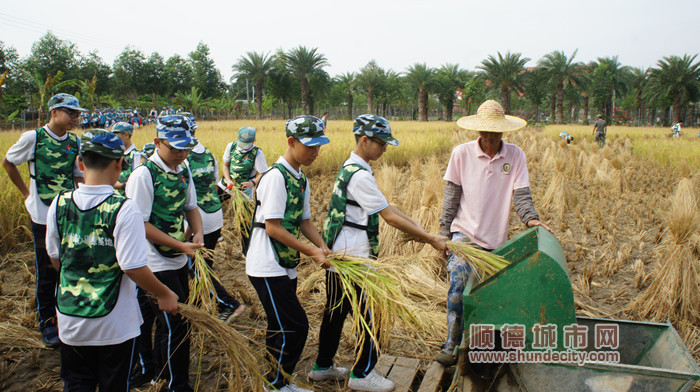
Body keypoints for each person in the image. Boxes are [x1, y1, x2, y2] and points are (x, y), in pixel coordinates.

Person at [310, 114, 447, 392]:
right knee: (371, 315)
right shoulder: (359, 175)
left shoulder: (352, 167)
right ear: (364, 140)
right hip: (355, 259)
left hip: (342, 257)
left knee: (335, 313)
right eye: (381, 143)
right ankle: (362, 373)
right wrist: (430, 238)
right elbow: (390, 217)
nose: (385, 149)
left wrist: (422, 231)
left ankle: (322, 367)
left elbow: (390, 208)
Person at [44, 129, 178, 392]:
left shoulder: (59, 203)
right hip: (114, 325)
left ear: (81, 163)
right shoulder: (123, 208)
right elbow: (132, 266)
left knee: (77, 384)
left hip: (71, 321)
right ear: (119, 164)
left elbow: (55, 258)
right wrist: (164, 293)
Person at [437, 100, 552, 366]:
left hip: (495, 240)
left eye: (495, 133)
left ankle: (482, 348)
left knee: (489, 296)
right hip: (464, 235)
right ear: (477, 131)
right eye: (485, 133)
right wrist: (444, 232)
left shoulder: (515, 155)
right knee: (457, 289)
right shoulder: (461, 154)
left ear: (503, 132)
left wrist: (531, 219)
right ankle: (452, 344)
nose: (489, 138)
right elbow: (451, 196)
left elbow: (521, 194)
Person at [246, 115, 330, 392]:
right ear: (291, 142)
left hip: (284, 264)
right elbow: (273, 228)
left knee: (279, 326)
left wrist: (323, 247)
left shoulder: (300, 178)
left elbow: (305, 222)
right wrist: (311, 252)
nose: (315, 152)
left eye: (319, 147)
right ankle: (276, 385)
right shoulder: (275, 177)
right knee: (295, 326)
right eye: (310, 146)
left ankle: (277, 382)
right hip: (267, 265)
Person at [2, 93, 87, 348]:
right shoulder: (34, 138)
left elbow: (78, 176)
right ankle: (48, 323)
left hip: (68, 212)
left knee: (71, 263)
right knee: (47, 270)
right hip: (42, 213)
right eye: (70, 113)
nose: (75, 118)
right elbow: (8, 163)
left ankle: (69, 315)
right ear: (53, 112)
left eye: (77, 114)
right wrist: (28, 194)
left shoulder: (75, 141)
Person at [126, 115, 203, 392]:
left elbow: (191, 207)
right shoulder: (144, 176)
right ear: (158, 142)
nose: (182, 155)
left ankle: (157, 371)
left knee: (159, 321)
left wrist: (198, 234)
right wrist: (180, 245)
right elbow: (141, 224)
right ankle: (174, 383)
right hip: (152, 261)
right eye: (175, 149)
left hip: (177, 258)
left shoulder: (184, 170)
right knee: (174, 324)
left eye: (186, 149)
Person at [183, 113, 246, 323]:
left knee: (195, 267)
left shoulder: (182, 157)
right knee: (205, 264)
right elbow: (216, 183)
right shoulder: (208, 153)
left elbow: (185, 194)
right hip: (214, 216)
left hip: (196, 219)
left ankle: (228, 303)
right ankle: (198, 305)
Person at [218, 126, 268, 201]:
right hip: (227, 185)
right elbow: (226, 165)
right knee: (214, 203)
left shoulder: (257, 153)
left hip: (244, 191)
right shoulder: (231, 147)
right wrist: (228, 180)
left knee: (245, 211)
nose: (245, 147)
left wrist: (253, 183)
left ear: (253, 141)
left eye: (247, 144)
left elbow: (264, 173)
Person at [112, 122, 145, 195]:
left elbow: (138, 182)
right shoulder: (114, 154)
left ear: (126, 135)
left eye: (117, 136)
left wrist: (121, 186)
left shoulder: (137, 156)